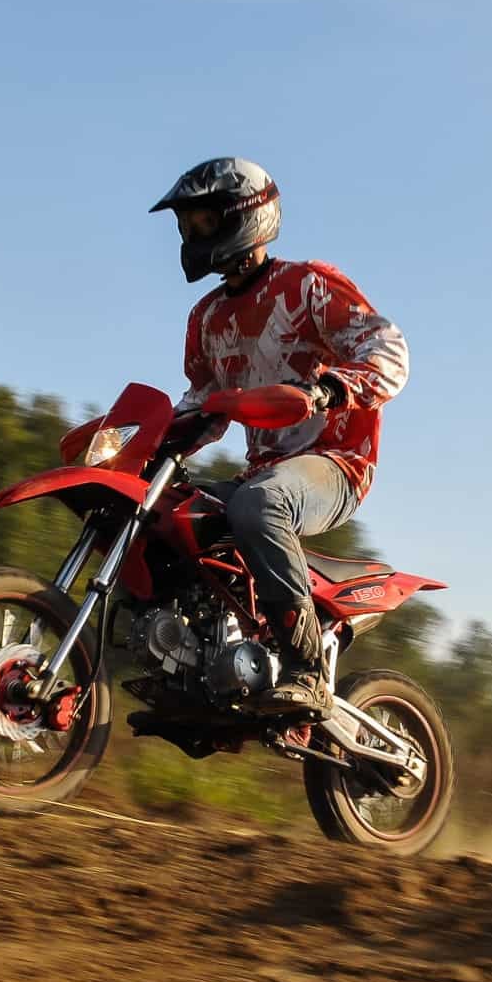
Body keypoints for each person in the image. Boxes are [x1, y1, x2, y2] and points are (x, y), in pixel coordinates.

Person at [149, 157, 409, 719]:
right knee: (164, 511)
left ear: (244, 216)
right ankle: (191, 666)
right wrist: (150, 443)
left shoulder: (307, 286)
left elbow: (389, 350)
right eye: (186, 225)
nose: (191, 234)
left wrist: (332, 389)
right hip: (260, 473)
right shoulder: (207, 317)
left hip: (335, 462)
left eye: (202, 221)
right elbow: (204, 404)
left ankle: (306, 669)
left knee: (260, 503)